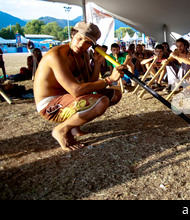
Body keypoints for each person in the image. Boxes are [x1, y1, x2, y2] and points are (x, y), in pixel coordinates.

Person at [33, 21, 125, 151]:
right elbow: (76, 90)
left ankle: (74, 126)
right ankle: (61, 130)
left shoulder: (84, 54)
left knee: (115, 94)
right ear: (72, 35)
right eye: (79, 38)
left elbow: (88, 83)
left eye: (87, 42)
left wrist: (97, 63)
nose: (81, 44)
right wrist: (109, 80)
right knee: (100, 102)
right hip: (49, 104)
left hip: (68, 97)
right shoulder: (57, 55)